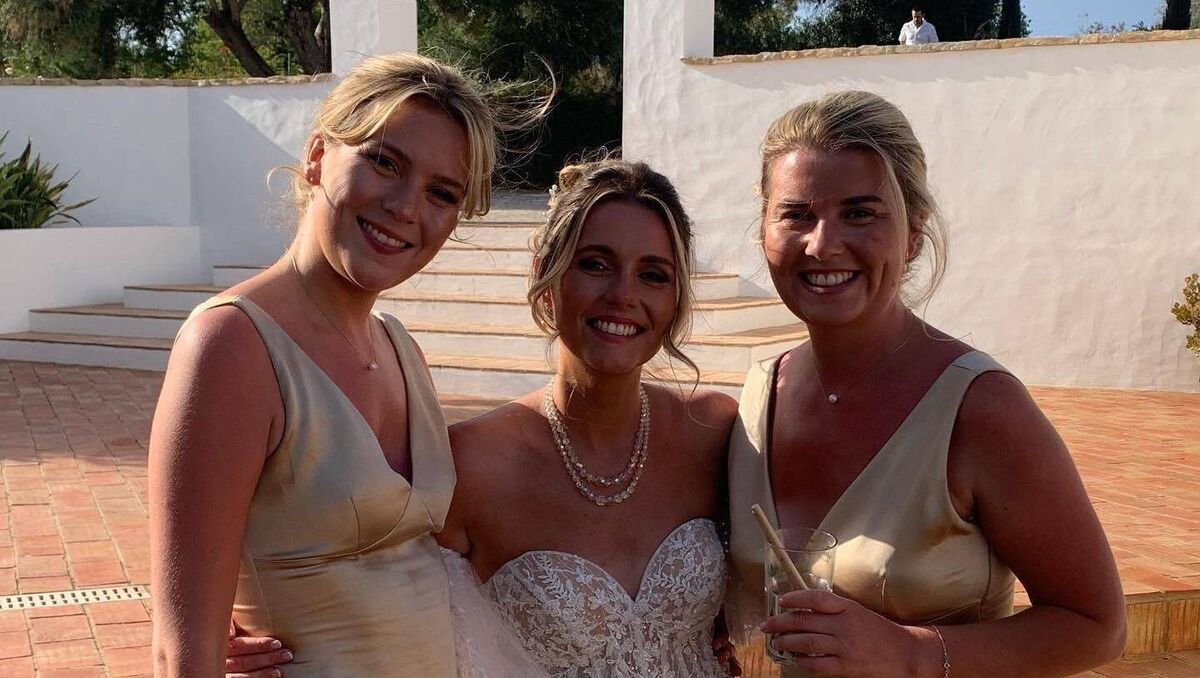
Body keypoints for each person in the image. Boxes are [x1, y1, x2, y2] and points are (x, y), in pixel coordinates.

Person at [221, 158, 742, 678]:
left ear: (676, 297)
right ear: (545, 272)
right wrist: (245, 640)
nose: (624, 295)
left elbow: (774, 561)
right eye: (594, 264)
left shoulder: (714, 431)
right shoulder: (470, 465)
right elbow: (356, 582)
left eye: (653, 275)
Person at [726, 90, 1127, 677]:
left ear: (913, 232)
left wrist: (909, 651)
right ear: (764, 229)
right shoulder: (759, 395)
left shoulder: (980, 407)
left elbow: (1097, 627)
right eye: (796, 215)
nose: (822, 243)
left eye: (860, 213)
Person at [149, 53, 505, 676]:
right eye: (385, 162)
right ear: (317, 155)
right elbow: (182, 652)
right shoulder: (231, 346)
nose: (406, 207)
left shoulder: (400, 348)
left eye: (442, 193)